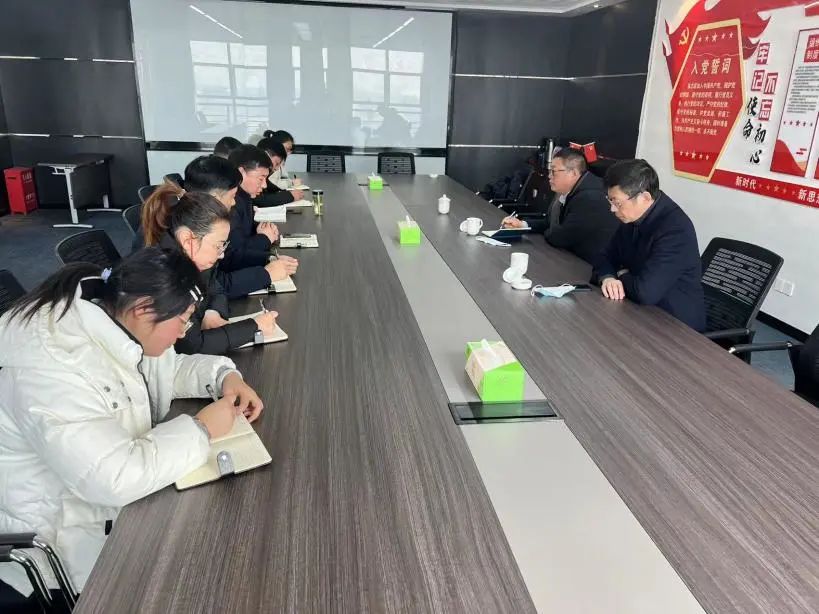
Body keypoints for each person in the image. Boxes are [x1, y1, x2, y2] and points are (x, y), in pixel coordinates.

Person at [0, 248, 264, 599]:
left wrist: (223, 376)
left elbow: (167, 370)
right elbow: (113, 477)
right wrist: (201, 429)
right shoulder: (51, 367)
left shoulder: (118, 320)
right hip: (62, 549)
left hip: (110, 513)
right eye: (182, 320)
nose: (183, 333)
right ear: (143, 309)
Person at [140, 189, 279, 354]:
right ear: (187, 240)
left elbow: (215, 283)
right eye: (218, 246)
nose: (221, 255)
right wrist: (253, 327)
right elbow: (190, 346)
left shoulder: (191, 255)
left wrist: (212, 312)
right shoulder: (165, 274)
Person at [136, 156, 291, 298]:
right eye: (232, 196)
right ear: (214, 199)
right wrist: (266, 274)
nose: (234, 203)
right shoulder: (175, 238)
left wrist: (266, 258)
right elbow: (213, 284)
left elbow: (214, 275)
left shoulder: (196, 220)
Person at [592, 159, 706, 331]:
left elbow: (645, 292)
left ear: (644, 197)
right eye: (610, 201)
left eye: (617, 203)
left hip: (676, 327)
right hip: (638, 313)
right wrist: (608, 277)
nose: (612, 209)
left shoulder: (675, 230)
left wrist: (620, 273)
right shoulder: (632, 216)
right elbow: (604, 256)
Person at [502, 148, 619, 263]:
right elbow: (551, 223)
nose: (549, 176)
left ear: (573, 173)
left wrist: (550, 231)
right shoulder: (577, 188)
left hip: (589, 265)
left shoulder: (590, 197)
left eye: (553, 171)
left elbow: (559, 238)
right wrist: (522, 224)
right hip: (572, 257)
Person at [225, 145, 299, 278]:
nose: (264, 185)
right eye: (261, 178)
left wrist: (265, 230)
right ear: (241, 173)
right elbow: (234, 254)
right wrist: (265, 239)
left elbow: (244, 233)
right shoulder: (230, 202)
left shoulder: (244, 197)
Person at [255, 138, 304, 207]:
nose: (276, 168)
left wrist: (287, 193)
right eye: (276, 163)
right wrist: (290, 196)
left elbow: (270, 187)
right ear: (266, 155)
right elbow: (259, 200)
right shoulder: (251, 170)